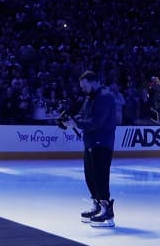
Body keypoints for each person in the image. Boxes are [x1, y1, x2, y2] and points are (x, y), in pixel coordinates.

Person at [62, 70, 117, 228]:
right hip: (91, 142)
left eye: (85, 86)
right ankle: (97, 206)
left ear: (94, 82)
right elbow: (81, 115)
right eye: (82, 86)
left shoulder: (105, 97)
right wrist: (69, 121)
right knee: (90, 177)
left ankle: (108, 213)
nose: (83, 89)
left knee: (100, 177)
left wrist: (76, 124)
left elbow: (97, 121)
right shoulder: (90, 97)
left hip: (102, 142)